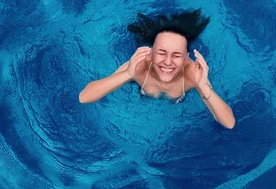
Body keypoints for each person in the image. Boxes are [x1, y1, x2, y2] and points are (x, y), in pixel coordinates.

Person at [79, 9, 235, 129]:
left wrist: (203, 87)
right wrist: (128, 74)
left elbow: (228, 123)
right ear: (151, 51)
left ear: (187, 57)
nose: (167, 62)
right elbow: (84, 97)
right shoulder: (139, 66)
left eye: (176, 55)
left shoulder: (193, 74)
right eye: (161, 53)